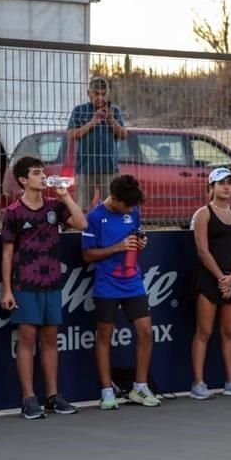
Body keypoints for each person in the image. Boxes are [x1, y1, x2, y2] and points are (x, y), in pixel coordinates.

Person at [0, 156, 88, 419]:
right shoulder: (13, 213)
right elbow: (6, 254)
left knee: (50, 339)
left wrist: (66, 196)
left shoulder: (54, 206)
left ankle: (52, 396)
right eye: (37, 173)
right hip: (25, 283)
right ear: (24, 180)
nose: (43, 176)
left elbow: (82, 224)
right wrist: (7, 289)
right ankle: (28, 398)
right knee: (27, 339)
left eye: (43, 172)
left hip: (52, 283)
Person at [81, 174, 160, 409]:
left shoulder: (133, 211)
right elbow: (87, 255)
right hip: (106, 284)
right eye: (127, 204)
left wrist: (140, 243)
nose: (132, 208)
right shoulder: (94, 217)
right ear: (114, 199)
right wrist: (118, 247)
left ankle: (140, 387)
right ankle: (107, 391)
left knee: (146, 331)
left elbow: (135, 237)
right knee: (105, 335)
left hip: (133, 281)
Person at [188, 168, 231, 400]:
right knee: (204, 331)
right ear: (212, 187)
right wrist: (219, 277)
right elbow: (202, 251)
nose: (227, 187)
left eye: (230, 183)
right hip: (208, 279)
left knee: (229, 332)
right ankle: (198, 383)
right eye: (221, 183)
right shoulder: (203, 214)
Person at [67, 77, 127, 208]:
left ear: (108, 93)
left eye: (103, 94)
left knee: (112, 206)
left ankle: (108, 228)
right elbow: (71, 135)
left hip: (109, 167)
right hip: (85, 167)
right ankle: (85, 229)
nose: (100, 97)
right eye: (96, 94)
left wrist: (111, 120)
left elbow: (123, 135)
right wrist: (92, 122)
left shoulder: (114, 111)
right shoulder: (79, 110)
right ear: (89, 93)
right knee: (82, 207)